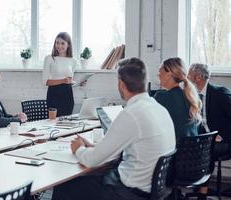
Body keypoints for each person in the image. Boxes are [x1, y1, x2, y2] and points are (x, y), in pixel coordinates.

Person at [52, 58, 176, 200]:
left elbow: (91, 160)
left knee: (65, 185)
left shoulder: (131, 113)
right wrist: (95, 146)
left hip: (129, 192)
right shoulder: (158, 108)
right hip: (155, 189)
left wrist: (78, 148)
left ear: (121, 84)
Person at [188, 63, 231, 199]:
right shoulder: (195, 95)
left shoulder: (220, 93)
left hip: (226, 141)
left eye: (189, 76)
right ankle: (198, 187)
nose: (187, 80)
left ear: (199, 77)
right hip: (206, 138)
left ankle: (202, 192)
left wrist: (223, 135)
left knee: (204, 151)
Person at [154, 57, 202, 141]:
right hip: (194, 151)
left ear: (169, 75)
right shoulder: (190, 96)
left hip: (174, 151)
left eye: (160, 72)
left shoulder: (161, 96)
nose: (158, 75)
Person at [42, 32, 77, 117]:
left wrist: (79, 83)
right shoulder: (49, 58)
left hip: (68, 95)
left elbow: (69, 81)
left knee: (66, 123)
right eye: (57, 43)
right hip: (54, 95)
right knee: (52, 123)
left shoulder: (73, 61)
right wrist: (63, 80)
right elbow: (45, 82)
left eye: (62, 43)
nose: (59, 46)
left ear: (68, 45)